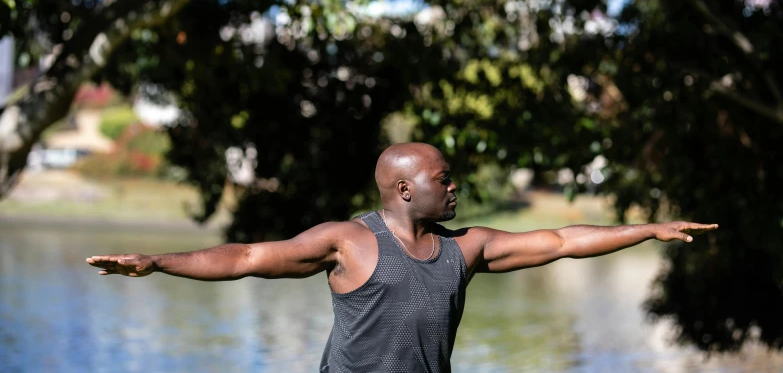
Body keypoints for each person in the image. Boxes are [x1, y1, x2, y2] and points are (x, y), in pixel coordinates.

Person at [86, 142, 718, 372]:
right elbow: (247, 254)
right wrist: (159, 262)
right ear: (406, 188)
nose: (454, 186)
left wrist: (648, 229)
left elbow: (560, 241)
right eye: (445, 178)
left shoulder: (466, 246)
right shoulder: (348, 242)